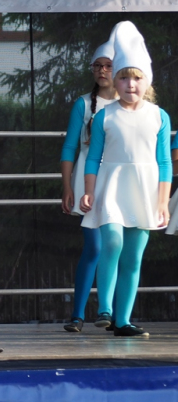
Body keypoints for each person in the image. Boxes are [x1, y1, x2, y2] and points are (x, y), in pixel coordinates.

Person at [80, 21, 171, 337]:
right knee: (113, 241)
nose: (130, 84)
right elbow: (93, 158)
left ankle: (122, 320)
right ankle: (105, 309)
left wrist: (163, 202)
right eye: (123, 77)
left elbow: (164, 162)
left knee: (133, 258)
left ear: (147, 81)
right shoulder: (104, 116)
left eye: (137, 77)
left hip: (144, 193)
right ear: (114, 81)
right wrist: (89, 191)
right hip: (112, 191)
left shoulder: (159, 116)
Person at [60, 42, 117, 332]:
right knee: (94, 246)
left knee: (115, 245)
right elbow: (69, 147)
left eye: (108, 65)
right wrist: (67, 186)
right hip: (87, 180)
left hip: (117, 180)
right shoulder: (83, 104)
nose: (102, 71)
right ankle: (77, 314)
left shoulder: (130, 105)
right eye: (97, 65)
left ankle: (110, 312)